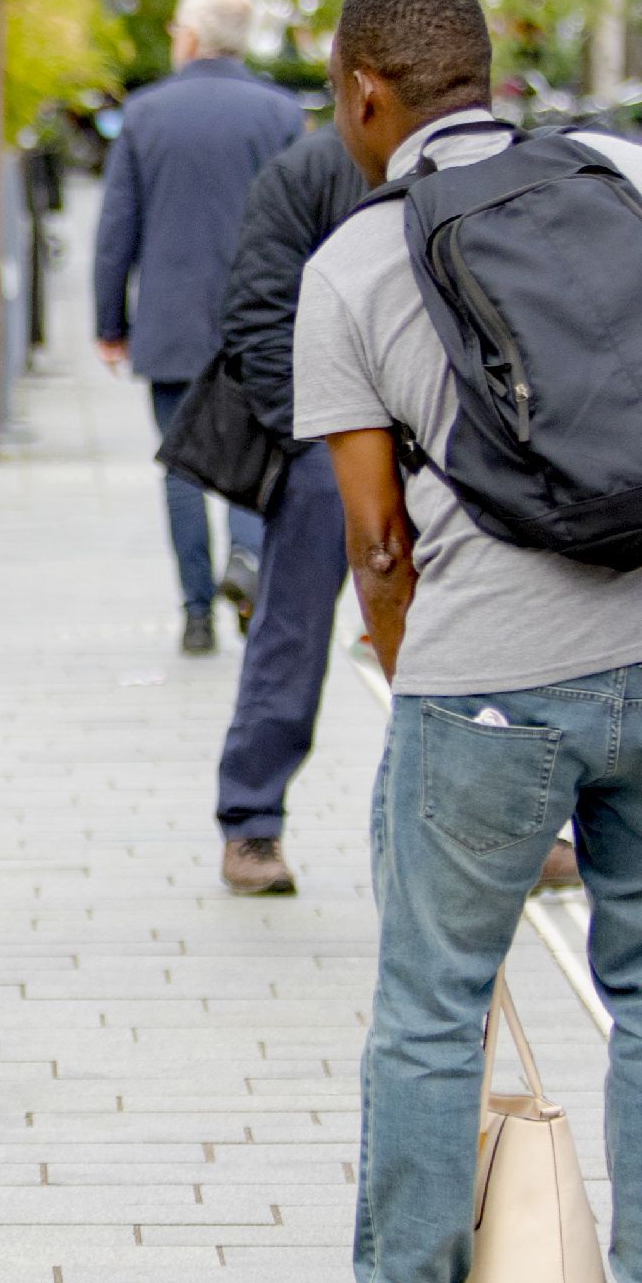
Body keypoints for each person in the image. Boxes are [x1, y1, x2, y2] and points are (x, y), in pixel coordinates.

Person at [283, 0, 642, 1283]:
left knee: (434, 1008)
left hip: (490, 684)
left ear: (368, 92)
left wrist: (415, 692)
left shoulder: (354, 266)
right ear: (488, 74)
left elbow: (378, 545)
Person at [91, 0, 304, 654]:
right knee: (252, 452)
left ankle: (193, 613)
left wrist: (109, 321)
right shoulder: (280, 115)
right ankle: (244, 561)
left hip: (172, 321)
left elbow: (117, 226)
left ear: (189, 35)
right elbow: (304, 222)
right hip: (260, 319)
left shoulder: (148, 113)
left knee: (182, 468)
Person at [200, 123, 366, 896]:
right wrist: (308, 436)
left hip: (450, 445)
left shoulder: (471, 166)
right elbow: (258, 313)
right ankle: (252, 822)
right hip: (329, 441)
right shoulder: (308, 173)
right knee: (292, 630)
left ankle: (513, 830)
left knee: (481, 632)